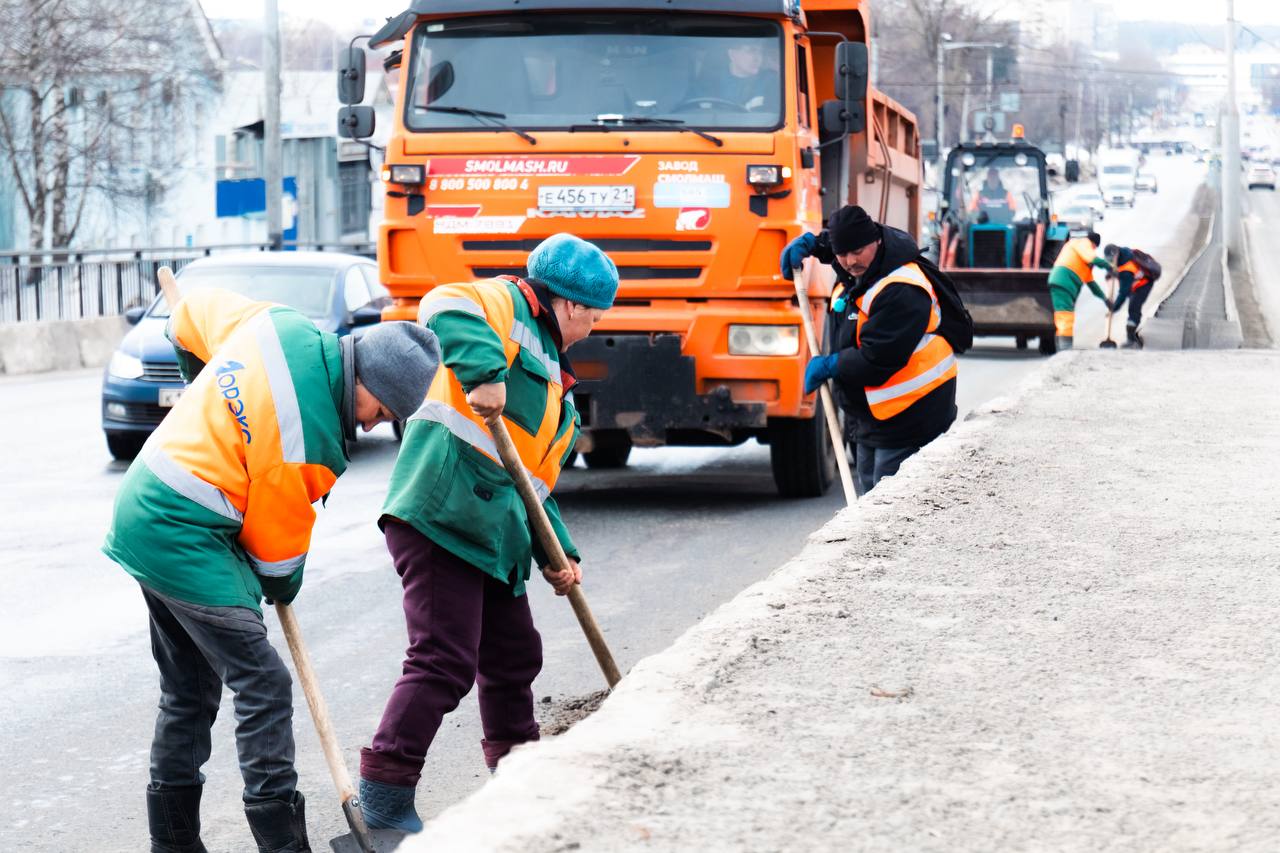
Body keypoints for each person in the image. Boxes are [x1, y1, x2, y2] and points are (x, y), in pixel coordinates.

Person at [103, 288, 440, 853]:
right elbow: (277, 559)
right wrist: (281, 585)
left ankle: (173, 844)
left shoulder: (280, 324)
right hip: (185, 531)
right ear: (366, 382)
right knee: (263, 683)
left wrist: (207, 391)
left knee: (189, 688)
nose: (372, 426)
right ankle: (282, 844)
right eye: (380, 412)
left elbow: (188, 316)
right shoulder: (309, 439)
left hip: (143, 507)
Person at [357, 233, 618, 831]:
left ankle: (518, 776)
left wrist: (559, 553)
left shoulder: (557, 389)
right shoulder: (508, 303)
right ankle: (385, 797)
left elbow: (533, 487)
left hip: (494, 533)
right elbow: (442, 303)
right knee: (443, 659)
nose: (592, 330)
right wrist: (484, 372)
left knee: (514, 654)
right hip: (442, 513)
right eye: (594, 318)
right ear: (571, 305)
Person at [779, 205, 970, 495]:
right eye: (842, 254)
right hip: (873, 410)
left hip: (912, 409)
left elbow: (877, 358)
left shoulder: (901, 289)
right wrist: (813, 244)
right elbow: (843, 247)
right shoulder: (864, 265)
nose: (850, 262)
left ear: (876, 241)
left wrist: (832, 365)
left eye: (857, 252)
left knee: (888, 495)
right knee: (869, 485)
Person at [1047, 231, 1114, 350]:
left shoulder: (1083, 260)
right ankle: (1065, 348)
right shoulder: (1082, 243)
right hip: (1063, 281)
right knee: (1065, 315)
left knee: (1064, 315)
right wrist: (1109, 266)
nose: (1093, 249)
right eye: (1094, 247)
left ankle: (1063, 347)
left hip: (1064, 283)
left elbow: (1092, 284)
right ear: (1093, 243)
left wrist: (1105, 299)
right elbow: (1092, 258)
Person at [1104, 244, 1160, 348]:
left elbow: (1123, 293)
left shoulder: (1127, 268)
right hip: (1133, 282)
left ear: (1116, 255)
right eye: (1109, 260)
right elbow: (1113, 269)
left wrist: (1114, 308)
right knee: (1132, 307)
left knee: (1134, 308)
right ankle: (1132, 338)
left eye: (1112, 260)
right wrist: (1110, 273)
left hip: (1143, 284)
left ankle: (1132, 340)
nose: (1111, 262)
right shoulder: (1121, 253)